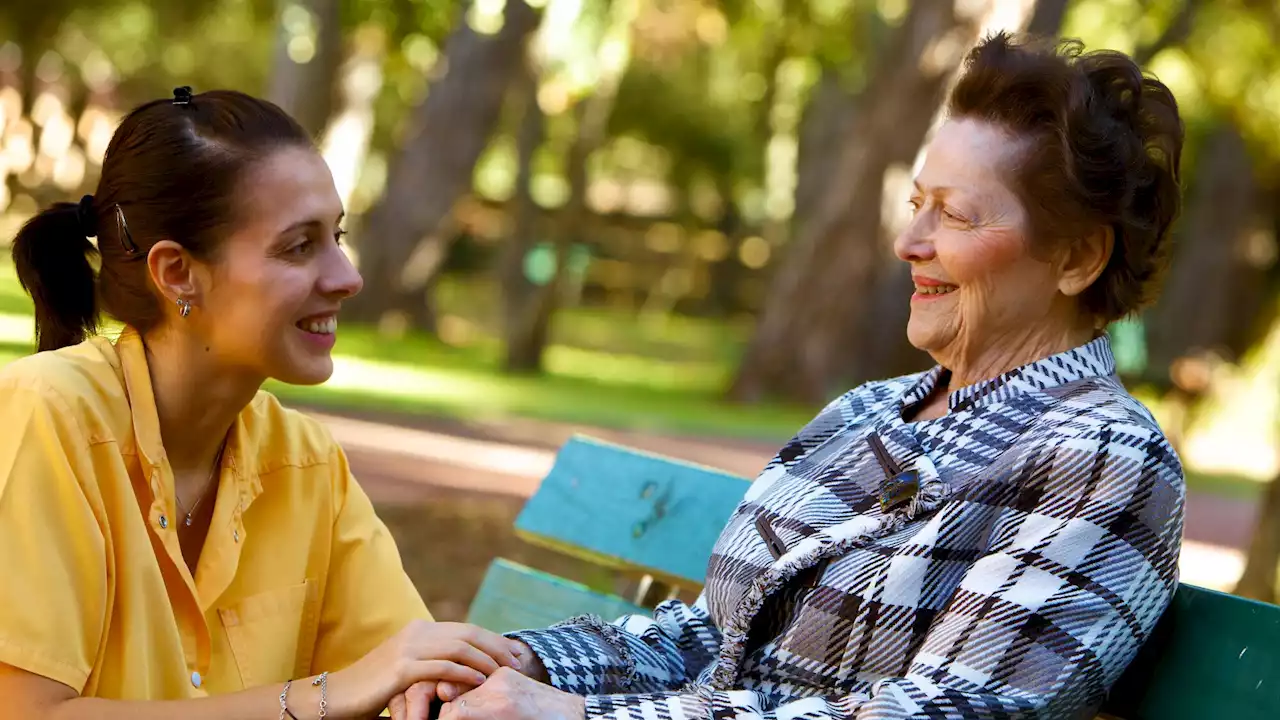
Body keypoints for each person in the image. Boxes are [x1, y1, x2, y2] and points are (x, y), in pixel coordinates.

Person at [432, 31, 1187, 720]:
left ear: (1078, 258)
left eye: (955, 217)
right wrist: (516, 663)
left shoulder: (1106, 457)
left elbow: (942, 713)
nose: (908, 241)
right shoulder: (868, 412)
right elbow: (712, 636)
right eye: (917, 204)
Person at [0, 88, 524, 720]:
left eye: (337, 235)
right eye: (299, 246)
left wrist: (419, 687)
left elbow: (407, 675)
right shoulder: (47, 414)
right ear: (176, 273)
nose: (347, 276)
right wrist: (325, 695)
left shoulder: (306, 465)